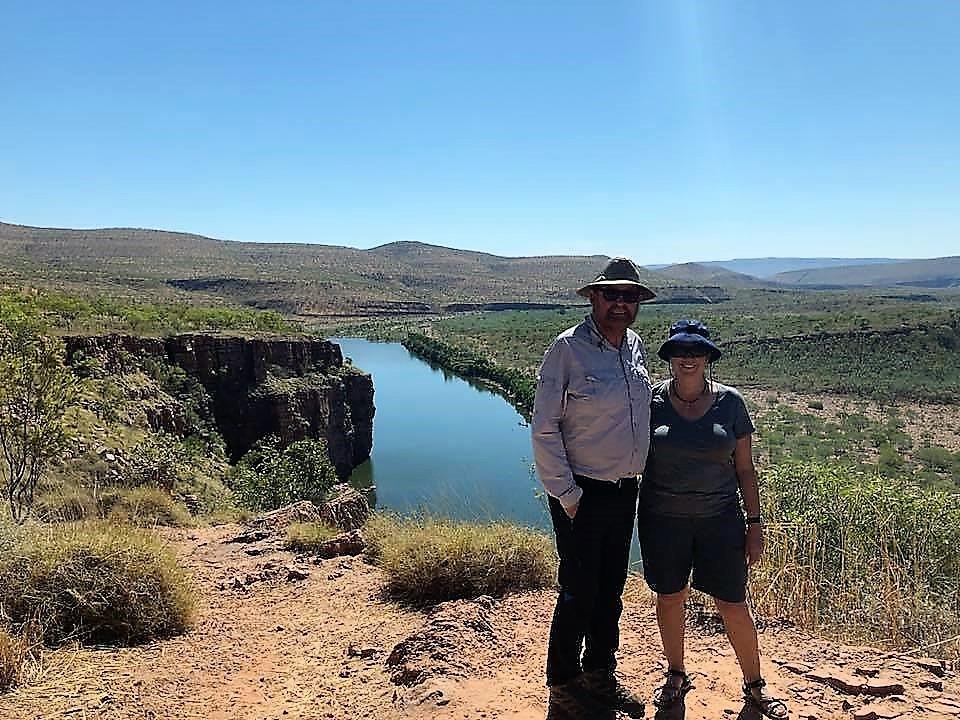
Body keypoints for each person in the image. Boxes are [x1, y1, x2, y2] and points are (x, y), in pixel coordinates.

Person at [637, 319, 788, 719]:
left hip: (720, 519)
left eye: (696, 351)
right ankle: (676, 674)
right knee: (670, 597)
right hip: (662, 519)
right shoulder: (650, 402)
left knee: (732, 602)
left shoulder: (731, 403)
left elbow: (745, 470)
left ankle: (755, 685)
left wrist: (755, 525)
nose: (688, 358)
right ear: (670, 357)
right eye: (680, 351)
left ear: (708, 358)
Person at [531, 257, 655, 718]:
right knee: (578, 591)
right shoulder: (567, 349)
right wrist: (567, 495)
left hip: (624, 490)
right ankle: (563, 687)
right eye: (612, 294)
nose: (621, 303)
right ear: (593, 298)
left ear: (638, 303)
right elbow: (544, 427)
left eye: (629, 296)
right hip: (582, 493)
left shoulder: (635, 347)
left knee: (610, 589)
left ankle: (600, 674)